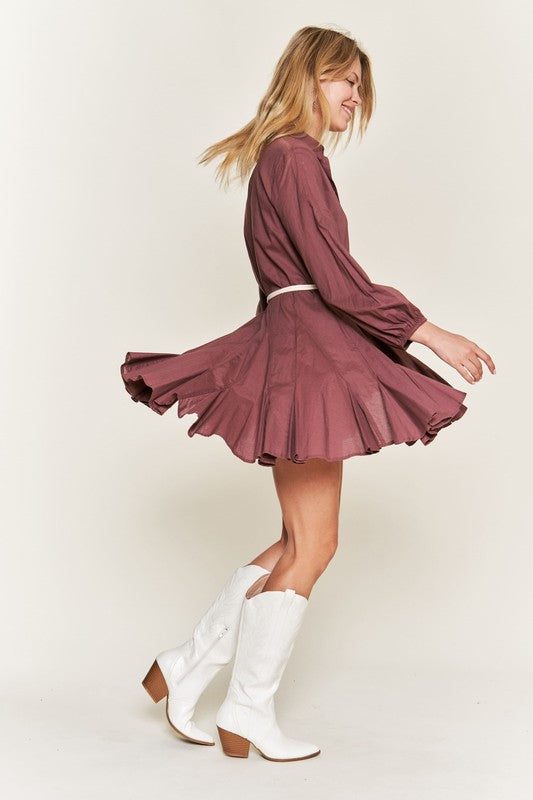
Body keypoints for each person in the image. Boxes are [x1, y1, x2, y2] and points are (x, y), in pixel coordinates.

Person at [120, 26, 496, 762]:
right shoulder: (294, 156)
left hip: (299, 348)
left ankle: (187, 666)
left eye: (358, 83)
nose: (353, 95)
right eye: (341, 79)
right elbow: (337, 278)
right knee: (315, 543)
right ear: (306, 79)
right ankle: (245, 710)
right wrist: (428, 333)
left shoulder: (285, 157)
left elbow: (311, 275)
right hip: (308, 354)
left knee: (301, 539)